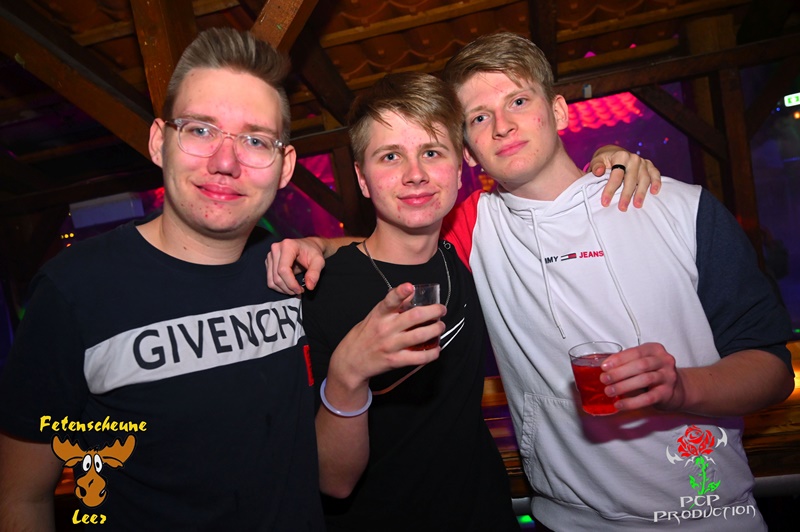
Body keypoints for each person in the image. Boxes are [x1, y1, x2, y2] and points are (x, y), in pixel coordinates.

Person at [269, 32, 795, 531]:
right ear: (469, 151)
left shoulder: (680, 208)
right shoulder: (477, 227)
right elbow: (398, 237)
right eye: (479, 117)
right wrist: (317, 245)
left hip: (708, 512)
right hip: (564, 520)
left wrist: (682, 387)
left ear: (559, 110)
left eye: (518, 101)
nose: (502, 126)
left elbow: (771, 368)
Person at [0, 28, 324, 531]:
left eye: (255, 140)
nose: (224, 162)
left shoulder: (292, 272)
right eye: (200, 130)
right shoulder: (75, 291)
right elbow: (22, 498)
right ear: (159, 142)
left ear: (284, 167)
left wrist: (321, 244)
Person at [303, 71, 519, 530]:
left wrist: (612, 159)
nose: (415, 174)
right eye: (390, 156)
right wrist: (347, 374)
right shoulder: (319, 290)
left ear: (459, 168)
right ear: (362, 179)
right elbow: (333, 482)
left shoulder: (469, 254)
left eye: (432, 152)